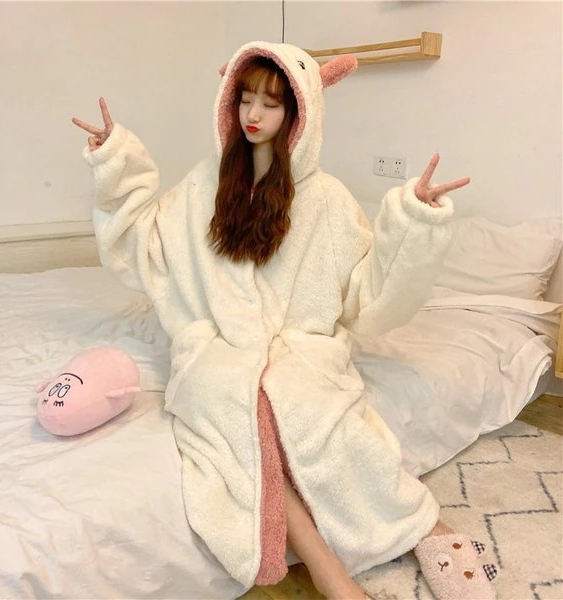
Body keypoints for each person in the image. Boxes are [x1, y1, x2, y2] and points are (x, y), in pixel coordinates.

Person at [72, 42, 497, 600]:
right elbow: (144, 244)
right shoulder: (204, 184)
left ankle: (421, 525)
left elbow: (367, 293)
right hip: (217, 345)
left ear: (299, 112)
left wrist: (413, 223)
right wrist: (117, 163)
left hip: (301, 348)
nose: (253, 114)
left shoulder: (328, 200)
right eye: (245, 98)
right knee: (243, 405)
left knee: (304, 411)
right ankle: (330, 570)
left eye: (270, 104)